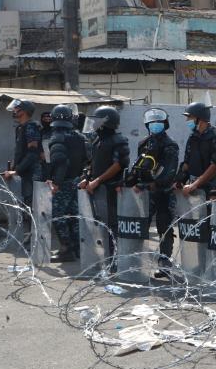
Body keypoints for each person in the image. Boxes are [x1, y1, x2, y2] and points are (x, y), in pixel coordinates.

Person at [124, 108, 180, 276]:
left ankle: (164, 262)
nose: (155, 126)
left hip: (163, 192)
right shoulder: (144, 143)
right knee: (140, 226)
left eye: (159, 123)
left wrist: (153, 184)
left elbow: (169, 171)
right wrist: (131, 181)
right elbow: (138, 166)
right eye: (152, 123)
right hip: (143, 193)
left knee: (164, 226)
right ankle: (136, 262)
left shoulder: (170, 145)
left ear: (165, 124)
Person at [80, 106, 130, 261]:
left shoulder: (119, 140)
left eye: (98, 121)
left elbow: (118, 165)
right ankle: (105, 257)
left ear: (106, 123)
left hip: (110, 190)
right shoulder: (98, 140)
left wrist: (97, 181)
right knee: (100, 223)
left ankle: (115, 259)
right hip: (97, 189)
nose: (94, 124)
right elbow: (94, 163)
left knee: (112, 225)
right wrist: (87, 178)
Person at [45, 105, 87, 263]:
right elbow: (86, 158)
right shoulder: (79, 136)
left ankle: (66, 249)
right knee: (73, 215)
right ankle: (77, 247)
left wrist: (56, 182)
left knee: (58, 216)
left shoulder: (57, 137)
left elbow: (60, 161)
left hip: (63, 183)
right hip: (76, 181)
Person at [175, 101, 216, 198]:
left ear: (199, 119)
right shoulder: (193, 137)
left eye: (190, 117)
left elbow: (215, 165)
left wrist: (195, 184)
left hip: (212, 189)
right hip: (196, 189)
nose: (187, 120)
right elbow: (187, 163)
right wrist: (179, 181)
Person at [2, 99, 43, 219]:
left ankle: (35, 236)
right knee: (26, 207)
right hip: (24, 173)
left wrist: (17, 170)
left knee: (33, 207)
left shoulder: (31, 126)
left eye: (16, 109)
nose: (14, 111)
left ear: (23, 111)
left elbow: (32, 153)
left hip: (32, 173)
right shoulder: (21, 128)